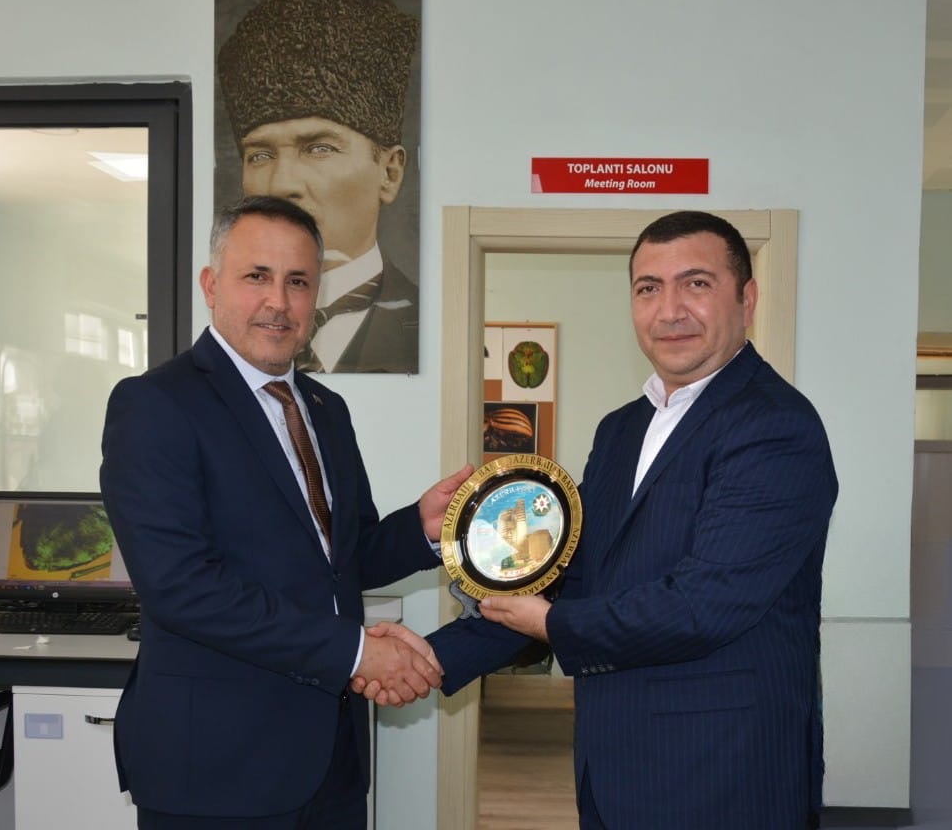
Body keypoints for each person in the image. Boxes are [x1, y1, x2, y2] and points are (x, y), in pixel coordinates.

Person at [360, 211, 839, 829]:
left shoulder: (774, 427)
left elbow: (706, 604)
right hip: (614, 771)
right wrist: (432, 655)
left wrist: (551, 623)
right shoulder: (621, 430)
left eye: (696, 284)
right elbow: (568, 576)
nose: (669, 311)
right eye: (648, 288)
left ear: (746, 298)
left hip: (724, 776)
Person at [100, 195, 468, 829]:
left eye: (298, 281)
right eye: (257, 276)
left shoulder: (325, 409)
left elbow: (343, 559)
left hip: (331, 762)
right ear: (211, 285)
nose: (278, 301)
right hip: (214, 770)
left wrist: (422, 527)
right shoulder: (155, 405)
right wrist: (356, 653)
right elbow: (181, 587)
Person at [217, 0, 419, 374]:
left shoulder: (432, 328)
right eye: (260, 155)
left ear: (389, 173)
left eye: (319, 148)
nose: (282, 184)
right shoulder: (221, 336)